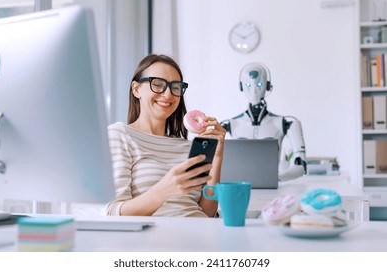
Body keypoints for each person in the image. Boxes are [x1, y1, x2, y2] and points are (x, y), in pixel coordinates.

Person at [106, 54, 226, 217]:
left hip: (201, 234)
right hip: (157, 239)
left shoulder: (188, 147)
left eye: (175, 87)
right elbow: (114, 213)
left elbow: (207, 213)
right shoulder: (120, 135)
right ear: (136, 89)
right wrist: (164, 191)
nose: (168, 95)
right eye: (157, 84)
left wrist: (217, 157)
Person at [220, 62, 307, 181]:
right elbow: (211, 160)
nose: (254, 90)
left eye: (259, 84)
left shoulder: (286, 123)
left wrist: (277, 178)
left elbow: (301, 164)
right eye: (248, 85)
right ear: (242, 87)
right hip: (240, 185)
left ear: (267, 86)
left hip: (274, 185)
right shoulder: (229, 124)